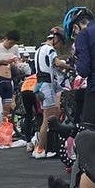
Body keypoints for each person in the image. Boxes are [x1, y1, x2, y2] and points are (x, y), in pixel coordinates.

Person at [32, 26, 69, 159]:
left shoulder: (39, 49)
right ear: (56, 38)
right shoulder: (49, 49)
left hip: (39, 84)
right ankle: (41, 149)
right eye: (60, 42)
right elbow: (57, 63)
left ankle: (42, 147)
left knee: (47, 117)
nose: (59, 46)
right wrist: (70, 66)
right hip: (46, 85)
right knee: (48, 119)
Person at [0, 30, 22, 126]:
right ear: (6, 39)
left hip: (8, 78)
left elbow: (18, 60)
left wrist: (16, 63)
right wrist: (2, 61)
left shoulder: (15, 48)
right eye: (10, 43)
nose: (11, 45)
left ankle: (4, 127)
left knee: (7, 107)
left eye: (13, 44)